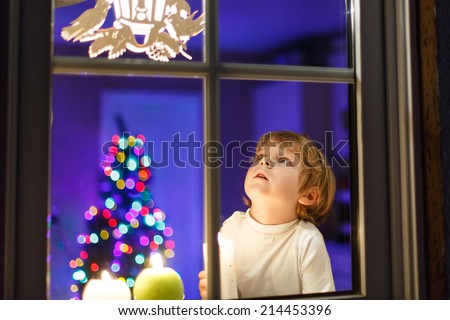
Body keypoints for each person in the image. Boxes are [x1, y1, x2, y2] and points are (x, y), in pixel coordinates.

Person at [198, 130, 336, 299]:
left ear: (308, 195)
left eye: (283, 160)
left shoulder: (307, 240)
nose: (263, 161)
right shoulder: (231, 228)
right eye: (260, 156)